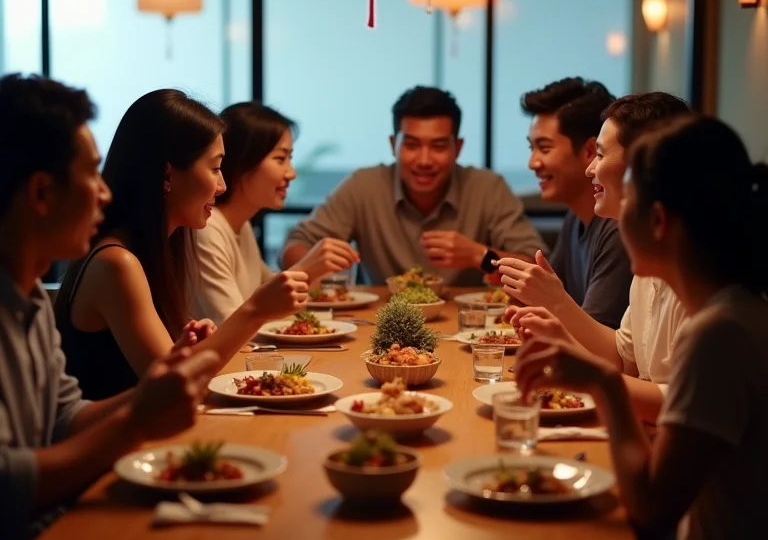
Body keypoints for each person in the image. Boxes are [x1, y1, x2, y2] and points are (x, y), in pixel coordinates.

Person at [514, 115, 768, 540]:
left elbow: (651, 508)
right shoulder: (729, 313)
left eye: (627, 198)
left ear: (657, 222)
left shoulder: (720, 334)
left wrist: (604, 385)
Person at [0, 74, 222, 540]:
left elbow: (65, 417)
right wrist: (139, 420)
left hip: (63, 538)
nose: (105, 192)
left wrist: (156, 389)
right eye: (90, 174)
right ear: (40, 191)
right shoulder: (108, 263)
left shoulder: (29, 299)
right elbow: (6, 486)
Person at [56, 89, 308, 401]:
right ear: (167, 175)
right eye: (215, 168)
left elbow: (169, 373)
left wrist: (186, 352)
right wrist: (256, 310)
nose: (222, 185)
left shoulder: (165, 246)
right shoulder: (117, 263)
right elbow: (171, 389)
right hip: (122, 446)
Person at [499, 92, 690, 424]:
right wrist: (558, 310)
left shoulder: (697, 276)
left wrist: (587, 374)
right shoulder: (648, 263)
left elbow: (680, 403)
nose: (591, 169)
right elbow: (625, 359)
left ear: (642, 166)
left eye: (599, 155)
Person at [281, 86, 545, 286]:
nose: (424, 160)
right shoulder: (364, 186)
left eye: (439, 146)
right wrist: (316, 265)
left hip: (471, 331)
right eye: (411, 145)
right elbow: (296, 246)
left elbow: (539, 270)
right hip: (381, 329)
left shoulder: (487, 188)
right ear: (392, 145)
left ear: (458, 148)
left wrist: (480, 255)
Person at [194, 102, 359, 325]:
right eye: (280, 159)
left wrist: (314, 271)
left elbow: (269, 293)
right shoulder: (208, 230)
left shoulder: (240, 225)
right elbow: (230, 325)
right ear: (243, 162)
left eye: (290, 159)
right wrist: (305, 268)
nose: (291, 173)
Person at [518, 77, 632, 328]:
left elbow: (591, 336)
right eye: (531, 148)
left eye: (544, 148)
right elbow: (545, 298)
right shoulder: (575, 218)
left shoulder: (616, 230)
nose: (532, 163)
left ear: (590, 151)